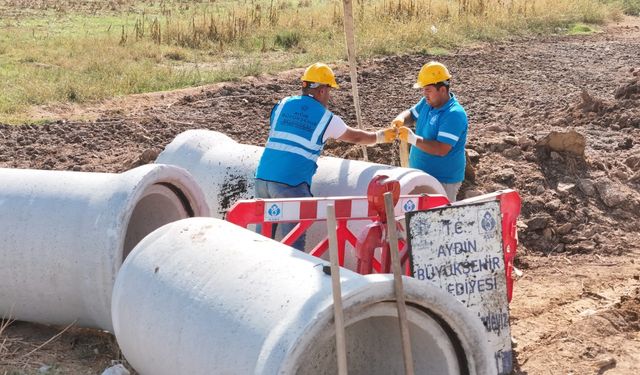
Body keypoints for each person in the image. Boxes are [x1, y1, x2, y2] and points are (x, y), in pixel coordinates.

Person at [255, 62, 397, 249]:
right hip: (290, 183)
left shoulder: (282, 105)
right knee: (293, 244)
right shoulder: (325, 118)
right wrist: (379, 137)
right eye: (329, 90)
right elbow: (354, 136)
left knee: (262, 240)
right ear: (321, 91)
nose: (329, 96)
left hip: (262, 178)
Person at [392, 61, 468, 202]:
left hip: (443, 180)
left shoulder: (453, 114)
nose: (425, 94)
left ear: (443, 90)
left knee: (440, 219)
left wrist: (413, 139)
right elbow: (412, 114)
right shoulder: (428, 103)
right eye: (424, 89)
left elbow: (441, 149)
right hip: (419, 175)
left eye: (428, 90)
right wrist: (401, 119)